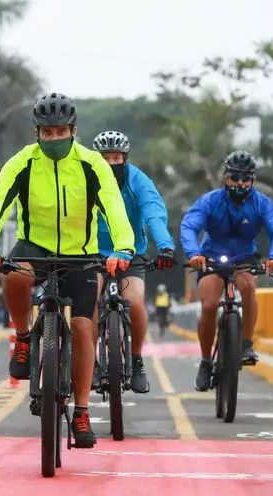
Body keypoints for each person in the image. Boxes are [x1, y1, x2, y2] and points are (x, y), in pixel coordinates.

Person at [0, 92, 136, 449]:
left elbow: (113, 206)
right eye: (47, 132)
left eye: (61, 131)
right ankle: (23, 337)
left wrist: (123, 247)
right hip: (35, 247)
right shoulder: (21, 163)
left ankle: (80, 411)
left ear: (74, 131)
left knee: (82, 327)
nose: (54, 138)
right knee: (15, 275)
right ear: (37, 133)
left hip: (81, 253)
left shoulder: (94, 165)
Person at [180, 150, 273, 392]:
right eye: (235, 178)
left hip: (244, 258)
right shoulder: (210, 201)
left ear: (253, 180)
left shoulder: (262, 204)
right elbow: (189, 225)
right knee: (209, 305)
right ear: (226, 178)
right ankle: (206, 361)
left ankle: (246, 343)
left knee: (249, 288)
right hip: (210, 257)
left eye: (246, 179)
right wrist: (194, 254)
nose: (240, 183)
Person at [90, 130, 176, 394]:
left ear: (125, 159)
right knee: (88, 300)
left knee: (136, 301)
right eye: (105, 158)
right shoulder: (85, 178)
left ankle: (137, 360)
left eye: (117, 157)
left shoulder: (138, 179)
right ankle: (90, 362)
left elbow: (153, 211)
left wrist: (164, 246)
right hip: (92, 252)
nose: (111, 163)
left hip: (131, 253)